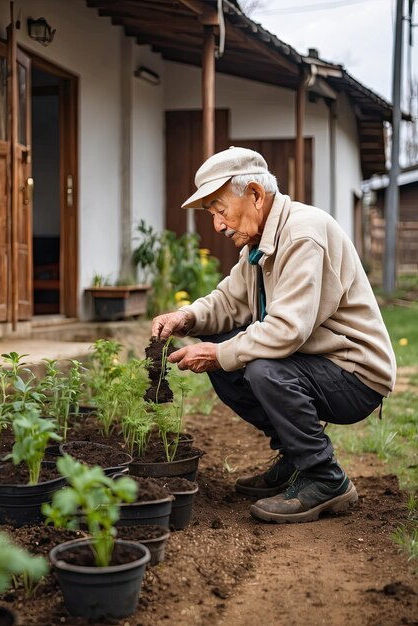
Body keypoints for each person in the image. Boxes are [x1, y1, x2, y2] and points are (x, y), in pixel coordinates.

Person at [151, 146, 396, 524]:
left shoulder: (302, 234)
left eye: (219, 209)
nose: (217, 224)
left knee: (260, 366)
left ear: (254, 194)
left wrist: (218, 354)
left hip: (355, 373)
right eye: (212, 214)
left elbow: (287, 330)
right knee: (231, 352)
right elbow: (228, 301)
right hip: (317, 363)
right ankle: (296, 459)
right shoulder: (259, 242)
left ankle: (325, 477)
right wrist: (186, 317)